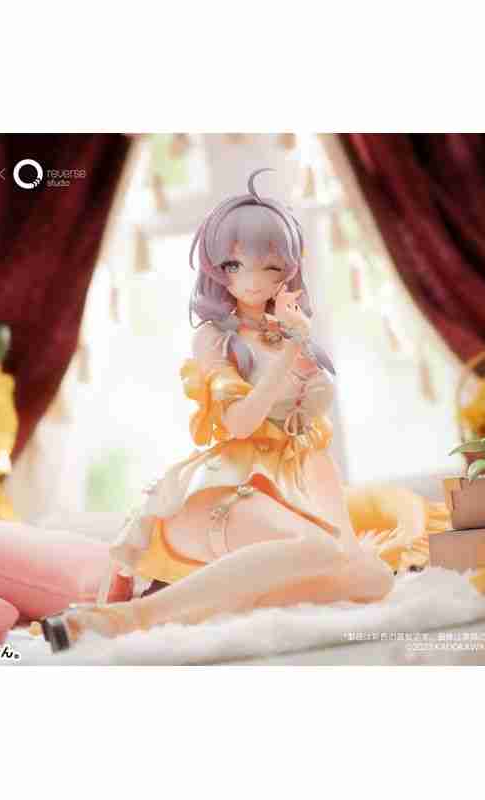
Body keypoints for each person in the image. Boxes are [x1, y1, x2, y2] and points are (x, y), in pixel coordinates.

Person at [58, 169, 438, 644]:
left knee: (373, 577)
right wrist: (290, 349)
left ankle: (191, 608)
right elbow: (239, 423)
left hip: (286, 490)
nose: (253, 281)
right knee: (318, 548)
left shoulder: (291, 336)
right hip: (223, 491)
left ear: (289, 270)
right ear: (218, 269)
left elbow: (314, 455)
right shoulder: (214, 338)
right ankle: (133, 618)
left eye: (270, 268)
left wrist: (346, 542)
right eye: (236, 265)